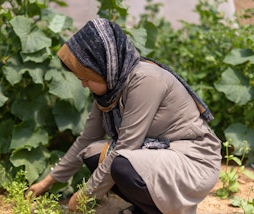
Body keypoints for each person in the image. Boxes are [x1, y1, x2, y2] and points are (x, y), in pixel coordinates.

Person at [26, 18, 221, 214]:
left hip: (192, 160)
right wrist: (48, 182)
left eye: (86, 78)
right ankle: (147, 207)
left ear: (103, 66)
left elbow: (126, 146)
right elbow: (86, 140)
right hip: (158, 155)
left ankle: (159, 210)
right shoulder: (109, 91)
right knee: (93, 154)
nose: (84, 85)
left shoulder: (145, 80)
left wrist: (84, 196)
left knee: (121, 164)